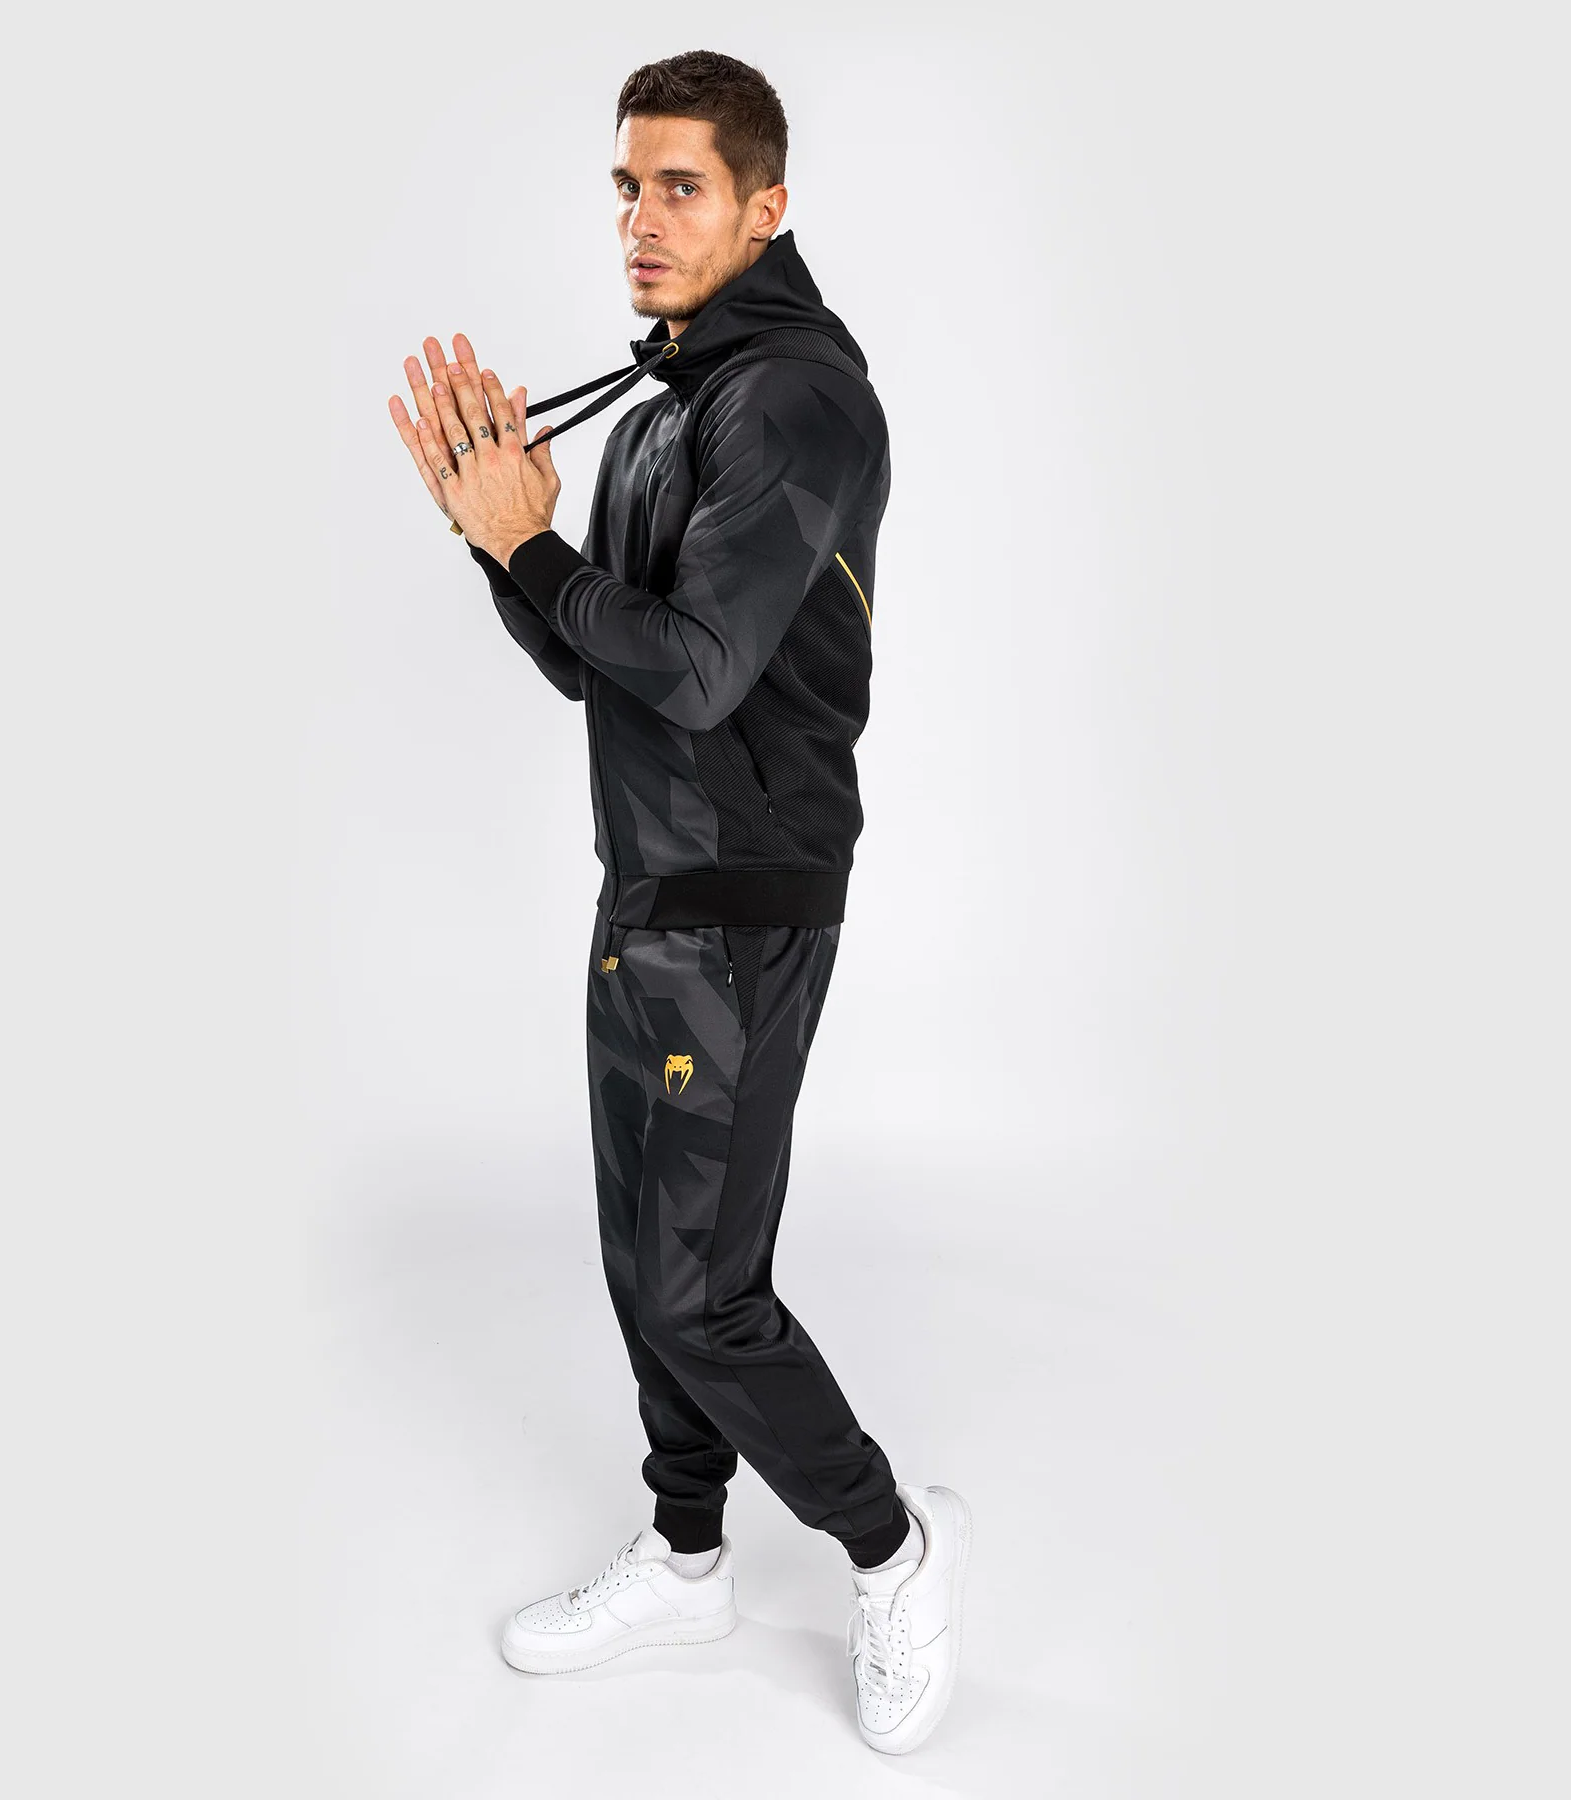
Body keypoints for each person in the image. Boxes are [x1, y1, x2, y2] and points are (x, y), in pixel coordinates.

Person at [387, 49, 970, 1756]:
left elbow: (703, 672)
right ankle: (689, 1554)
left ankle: (893, 1548)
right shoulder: (666, 412)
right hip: (648, 885)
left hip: (740, 903)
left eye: (682, 188)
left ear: (765, 207)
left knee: (702, 1290)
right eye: (628, 188)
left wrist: (534, 548)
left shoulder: (789, 398)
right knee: (648, 1262)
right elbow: (613, 674)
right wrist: (500, 539)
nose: (642, 220)